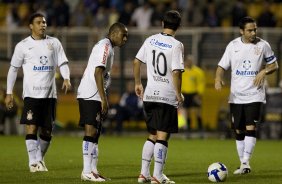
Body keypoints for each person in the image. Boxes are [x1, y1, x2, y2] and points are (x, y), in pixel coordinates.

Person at [4, 12, 71, 172]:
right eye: (39, 22)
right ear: (31, 26)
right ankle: (33, 162)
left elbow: (63, 62)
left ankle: (39, 159)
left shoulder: (54, 43)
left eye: (44, 22)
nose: (43, 25)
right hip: (32, 95)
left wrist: (67, 78)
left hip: (50, 95)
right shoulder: (22, 45)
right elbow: (13, 70)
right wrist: (8, 93)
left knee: (47, 131)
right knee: (31, 127)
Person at [215, 16, 278, 175]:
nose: (253, 33)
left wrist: (264, 71)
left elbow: (274, 64)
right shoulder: (233, 46)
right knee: (238, 130)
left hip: (254, 94)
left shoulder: (263, 45)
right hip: (236, 96)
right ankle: (243, 163)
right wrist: (217, 79)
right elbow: (222, 66)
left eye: (255, 29)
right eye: (250, 30)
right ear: (241, 31)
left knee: (251, 126)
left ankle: (245, 163)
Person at [134, 10, 184, 184]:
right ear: (178, 26)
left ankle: (143, 174)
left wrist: (137, 83)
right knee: (163, 136)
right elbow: (177, 72)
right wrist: (178, 93)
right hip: (166, 95)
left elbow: (136, 61)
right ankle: (157, 175)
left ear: (163, 24)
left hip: (149, 94)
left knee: (152, 134)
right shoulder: (177, 45)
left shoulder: (150, 40)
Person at [77, 22, 128, 182]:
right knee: (90, 131)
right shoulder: (105, 46)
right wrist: (104, 98)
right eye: (123, 34)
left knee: (96, 133)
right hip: (90, 93)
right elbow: (98, 72)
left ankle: (93, 170)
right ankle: (86, 171)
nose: (125, 38)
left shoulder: (109, 47)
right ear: (113, 34)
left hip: (94, 94)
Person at [181, 55, 205, 134]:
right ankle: (188, 129)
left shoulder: (198, 72)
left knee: (197, 112)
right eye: (188, 61)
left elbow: (201, 83)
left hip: (195, 94)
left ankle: (200, 129)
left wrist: (199, 94)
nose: (189, 62)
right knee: (187, 112)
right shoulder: (182, 71)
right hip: (185, 94)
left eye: (190, 61)